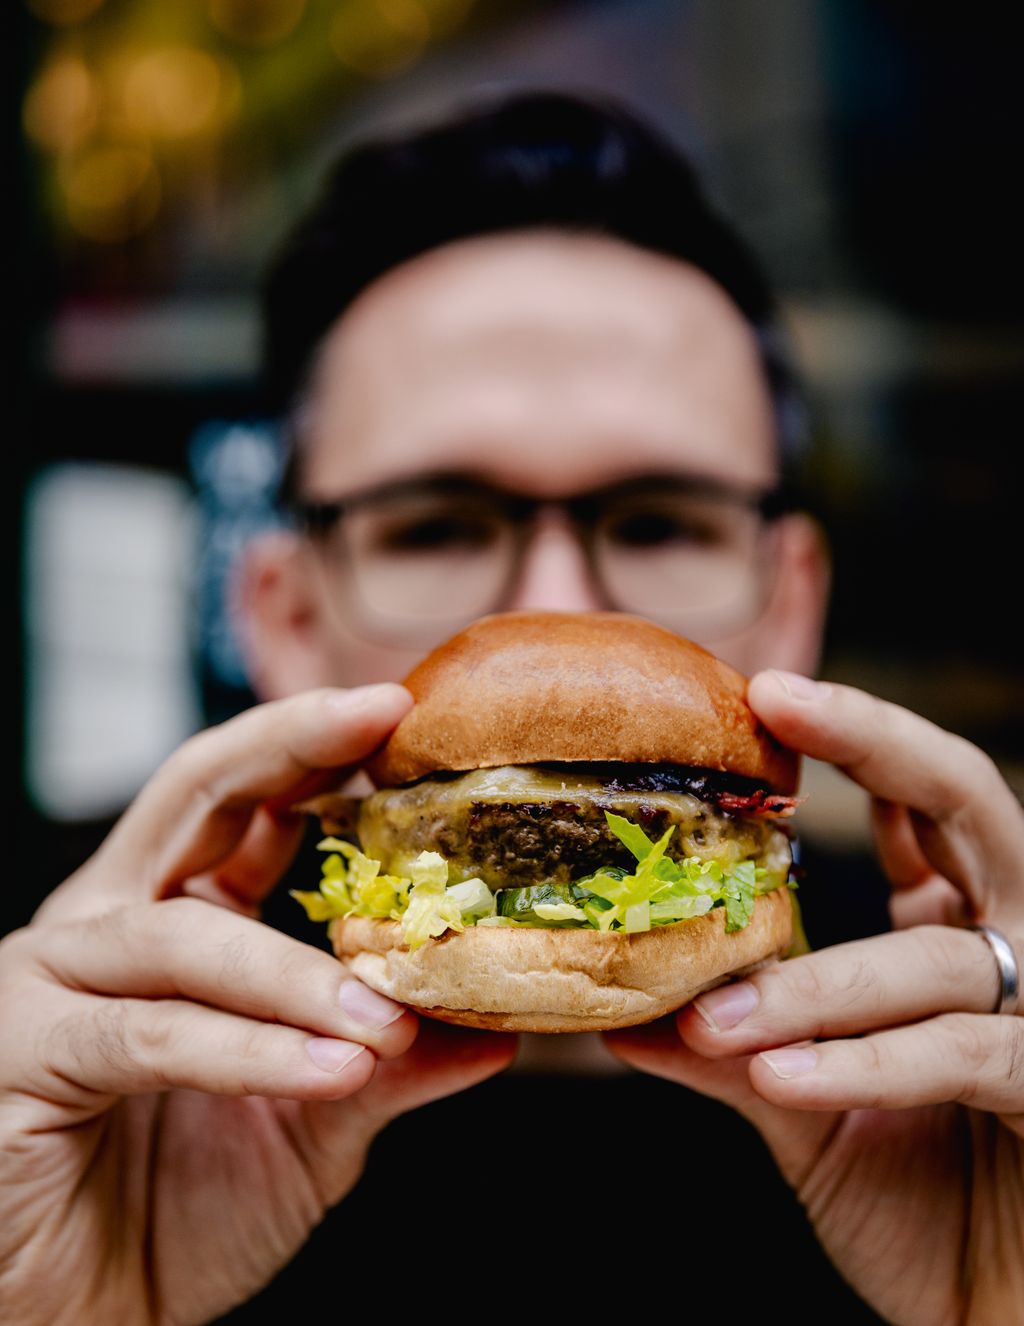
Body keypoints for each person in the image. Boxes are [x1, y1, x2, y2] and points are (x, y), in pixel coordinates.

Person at [2, 90, 1021, 1325]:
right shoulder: (68, 1060)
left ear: (793, 599)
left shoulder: (965, 1072)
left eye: (656, 522)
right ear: (277, 613)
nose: (557, 614)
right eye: (435, 524)